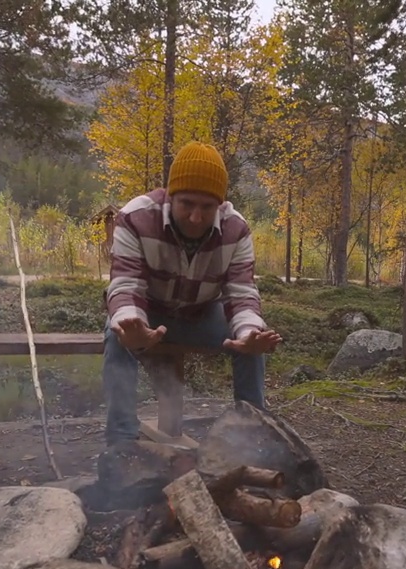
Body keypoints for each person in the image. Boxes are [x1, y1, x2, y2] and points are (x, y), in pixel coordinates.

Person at [102, 141, 282, 444]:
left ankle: (252, 438)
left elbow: (241, 293)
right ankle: (121, 443)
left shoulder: (237, 230)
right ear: (170, 195)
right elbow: (126, 284)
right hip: (150, 310)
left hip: (201, 315)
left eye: (207, 207)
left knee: (251, 342)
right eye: (187, 204)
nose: (196, 217)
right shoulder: (135, 217)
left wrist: (250, 331)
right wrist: (130, 322)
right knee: (117, 331)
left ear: (220, 205)